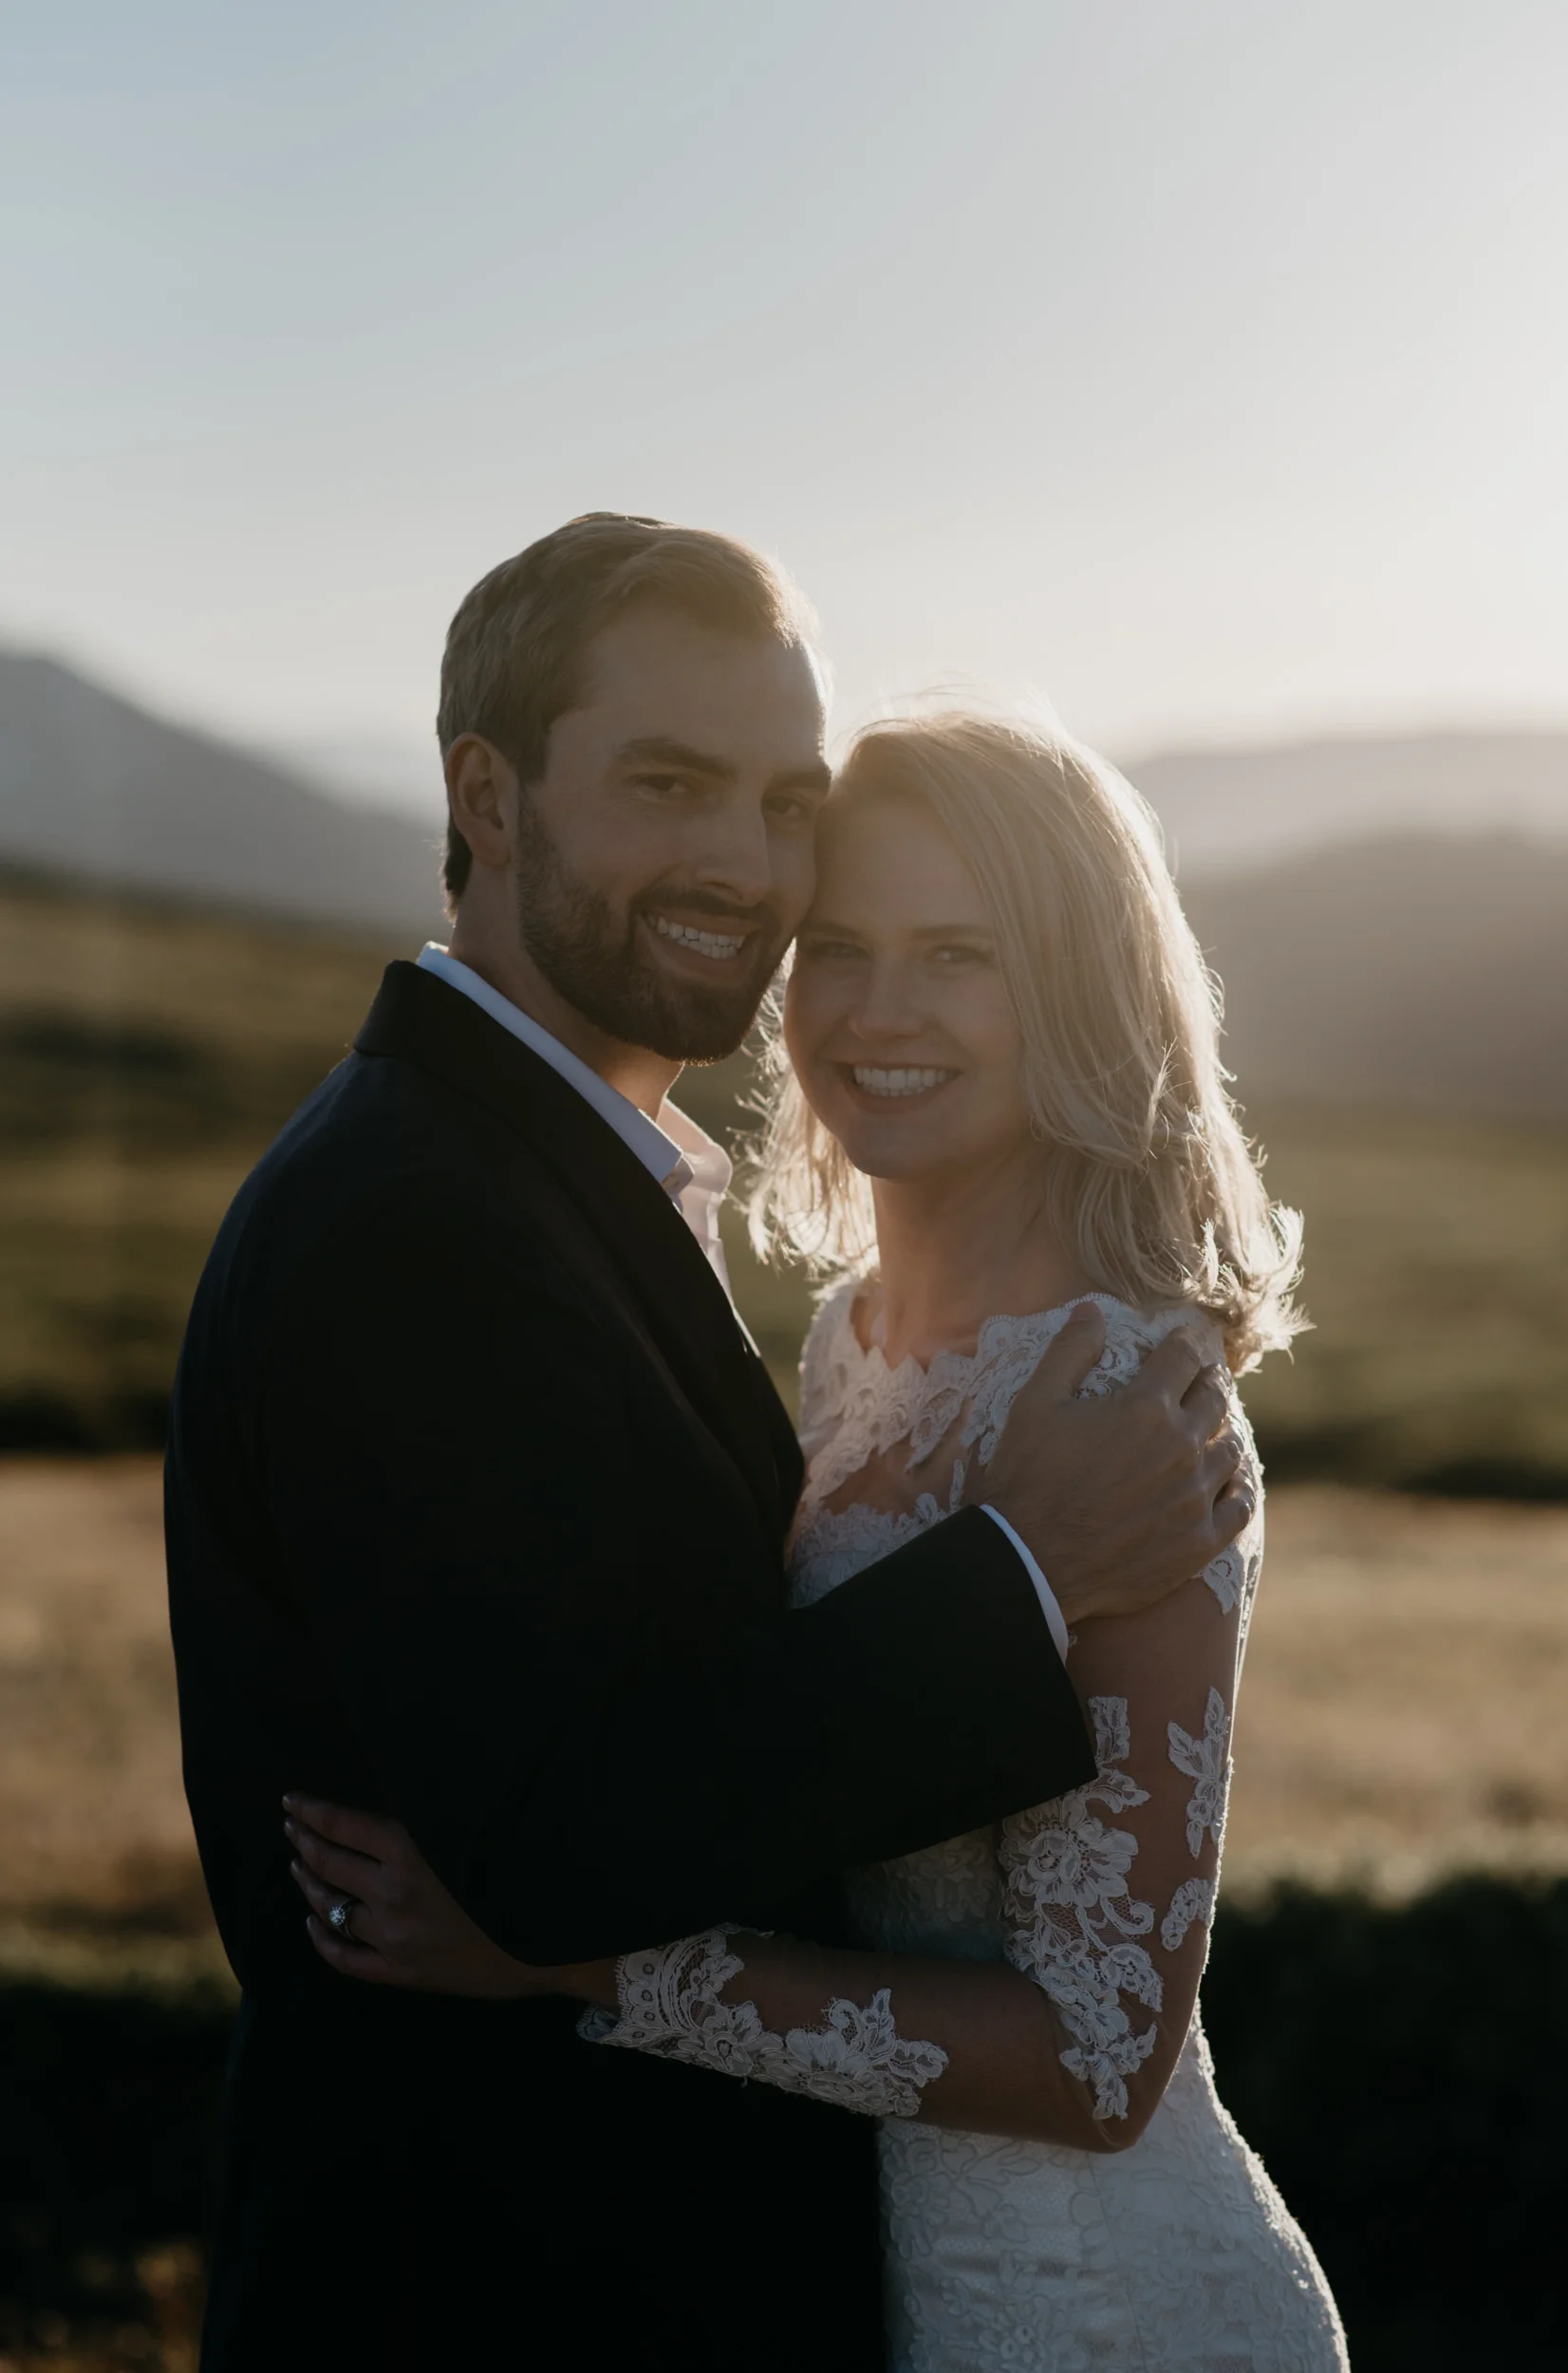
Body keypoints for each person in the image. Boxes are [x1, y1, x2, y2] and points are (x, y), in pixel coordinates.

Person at [164, 515, 1249, 2371]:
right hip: (490, 2282)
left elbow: (1083, 2023)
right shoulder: (426, 1217)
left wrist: (585, 1959)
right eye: (669, 784)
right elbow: (565, 1831)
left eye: (781, 804)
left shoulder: (1085, 1383)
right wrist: (1018, 1572)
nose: (741, 866)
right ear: (485, 796)